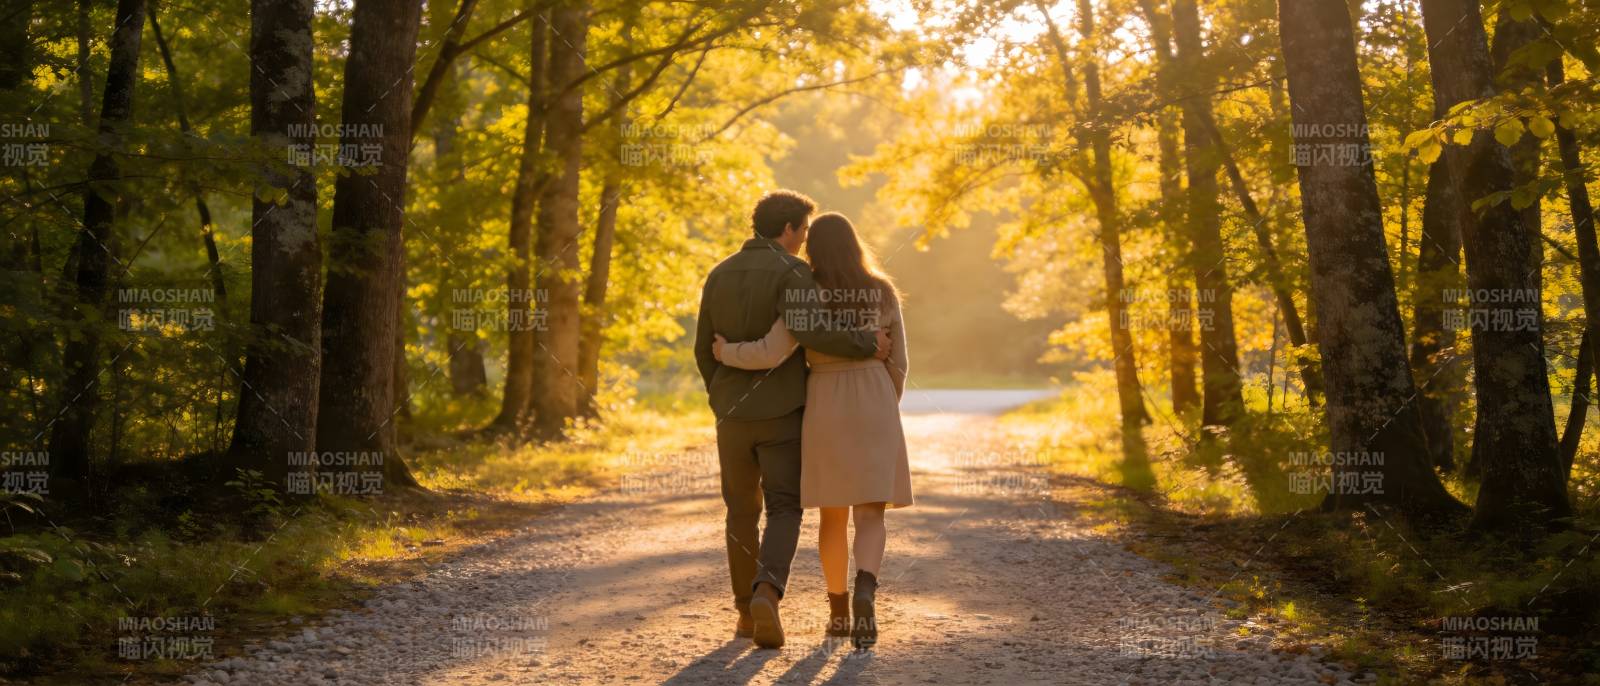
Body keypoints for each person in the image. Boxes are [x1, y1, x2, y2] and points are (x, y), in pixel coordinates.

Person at [693, 191, 891, 649]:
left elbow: (704, 348)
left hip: (732, 414)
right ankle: (767, 591)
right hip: (782, 412)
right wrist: (867, 344)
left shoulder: (719, 273)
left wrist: (720, 395)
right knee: (783, 507)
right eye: (802, 230)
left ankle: (746, 613)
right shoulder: (793, 272)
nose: (804, 240)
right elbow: (810, 331)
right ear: (788, 229)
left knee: (740, 511)